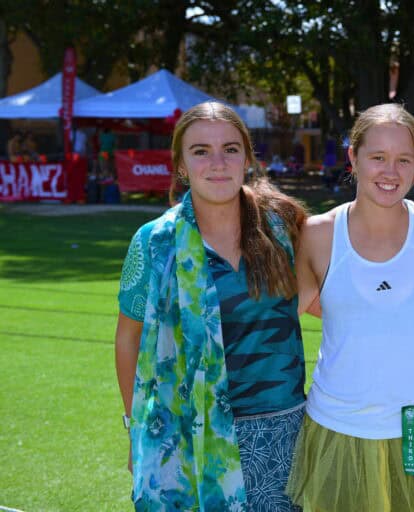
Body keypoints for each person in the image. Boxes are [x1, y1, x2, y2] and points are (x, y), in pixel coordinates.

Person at [114, 102, 307, 511]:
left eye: (231, 149)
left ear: (247, 158)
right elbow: (128, 338)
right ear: (181, 165)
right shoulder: (154, 242)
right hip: (187, 433)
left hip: (284, 434)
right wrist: (137, 429)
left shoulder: (284, 226)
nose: (217, 163)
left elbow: (333, 300)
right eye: (201, 150)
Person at [286, 103, 414, 512]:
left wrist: (413, 350)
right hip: (340, 426)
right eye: (377, 158)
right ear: (353, 157)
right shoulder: (319, 234)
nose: (390, 172)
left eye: (403, 159)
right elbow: (297, 310)